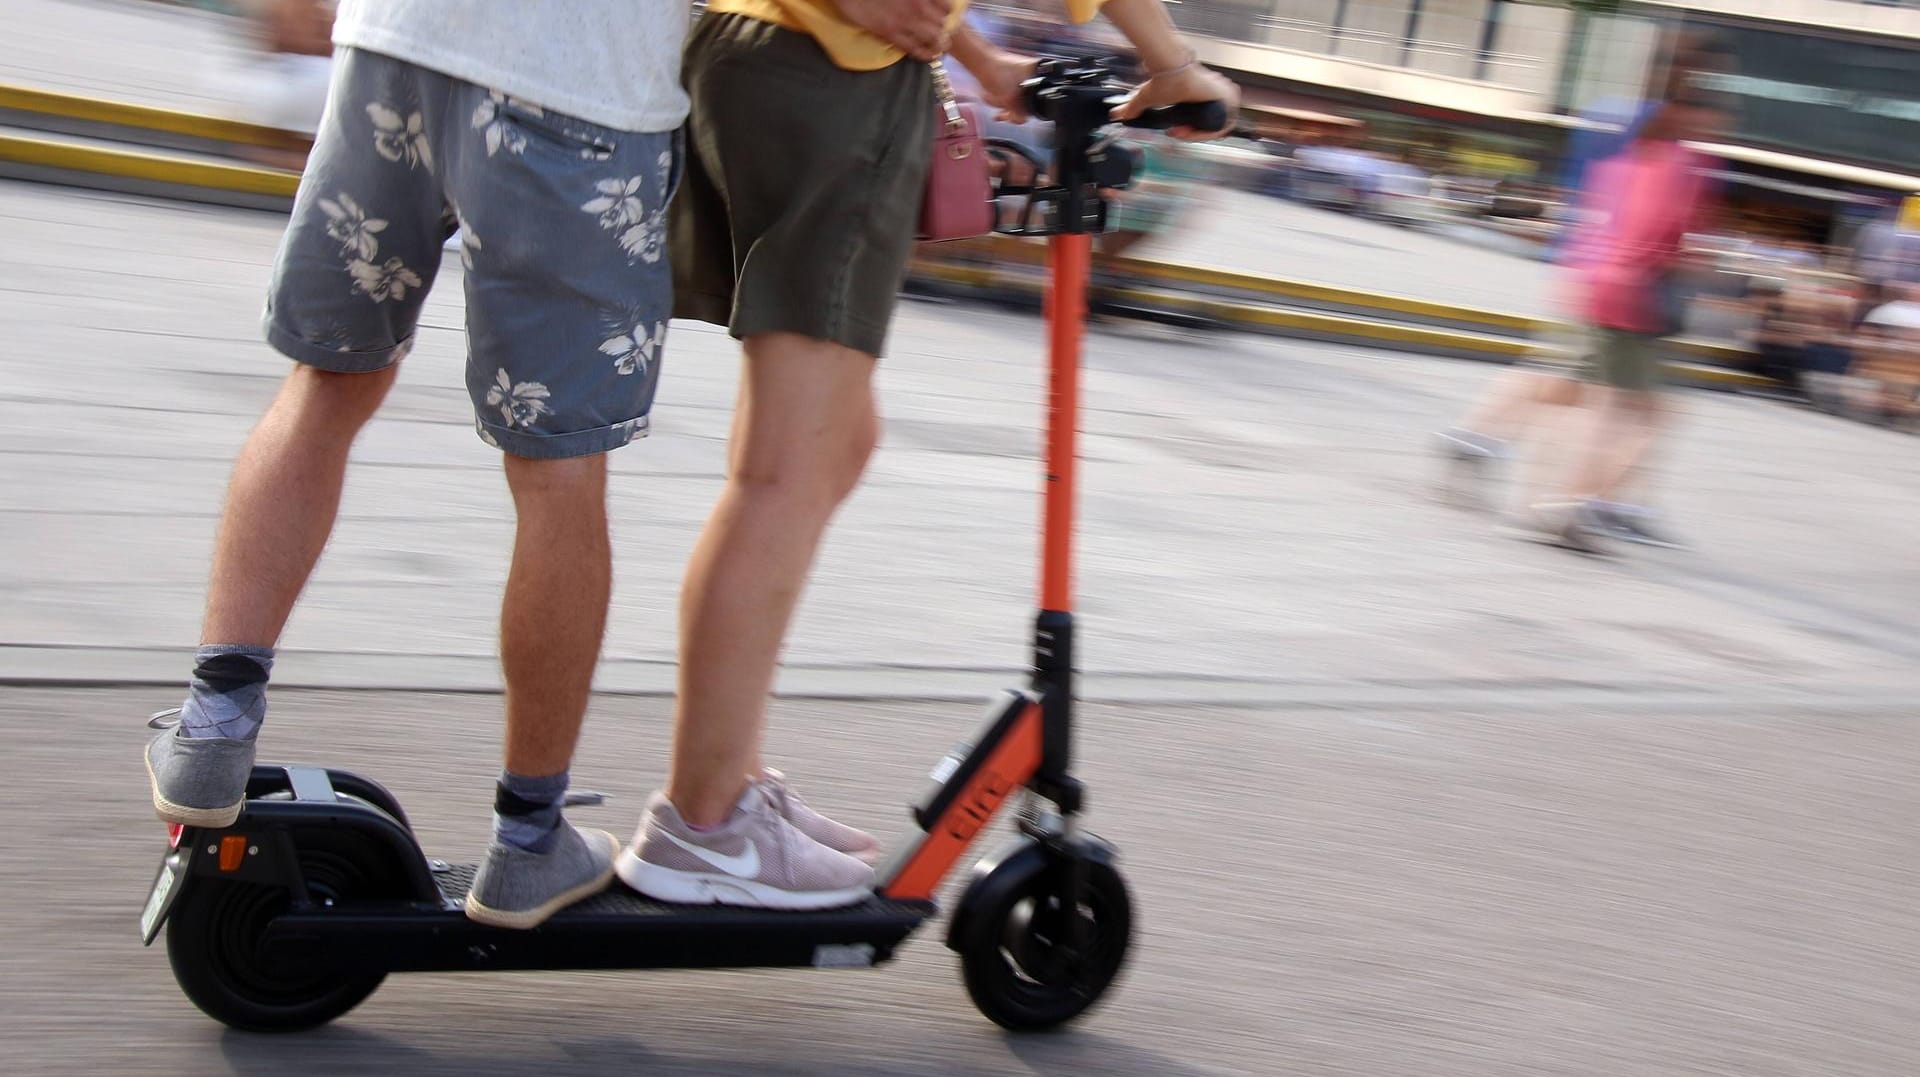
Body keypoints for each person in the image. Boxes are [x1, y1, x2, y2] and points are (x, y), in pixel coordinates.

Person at [616, 0, 1238, 908]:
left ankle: (728, 783)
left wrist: (983, 63)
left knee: (831, 447)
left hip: (755, 48)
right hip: (833, 68)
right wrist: (1175, 63)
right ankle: (704, 824)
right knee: (787, 470)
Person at [146, 0, 690, 929]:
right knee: (559, 472)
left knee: (324, 385)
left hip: (399, 45)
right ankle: (528, 842)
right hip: (577, 87)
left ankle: (212, 727)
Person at [1525, 79, 1731, 552]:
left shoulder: (1626, 159)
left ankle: (1572, 502)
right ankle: (1576, 504)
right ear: (1691, 115)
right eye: (1716, 120)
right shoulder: (1684, 167)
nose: (1717, 130)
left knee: (1602, 405)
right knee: (1637, 414)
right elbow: (1671, 237)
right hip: (1632, 296)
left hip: (1593, 285)